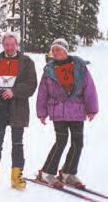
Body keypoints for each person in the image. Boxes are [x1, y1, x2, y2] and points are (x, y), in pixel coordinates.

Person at [36, 38, 98, 188]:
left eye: (59, 49)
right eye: (54, 50)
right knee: (61, 141)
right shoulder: (49, 70)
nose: (56, 52)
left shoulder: (79, 67)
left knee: (78, 143)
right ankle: (46, 173)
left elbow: (89, 88)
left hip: (77, 110)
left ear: (65, 50)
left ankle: (67, 173)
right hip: (58, 110)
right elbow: (42, 93)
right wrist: (41, 112)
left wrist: (92, 109)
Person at [0, 31, 37, 191]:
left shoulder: (26, 62)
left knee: (17, 143)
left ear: (17, 45)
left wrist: (14, 91)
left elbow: (31, 84)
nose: (9, 47)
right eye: (6, 45)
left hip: (18, 107)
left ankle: (16, 177)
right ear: (3, 45)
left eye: (12, 45)